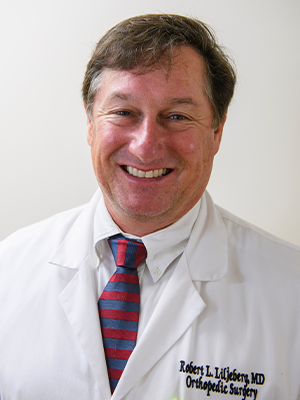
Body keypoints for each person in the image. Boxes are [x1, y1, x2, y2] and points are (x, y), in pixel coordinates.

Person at [0, 13, 299, 400]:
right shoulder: (8, 269)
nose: (145, 145)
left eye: (177, 116)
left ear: (216, 131)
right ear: (90, 124)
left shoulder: (291, 293)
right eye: (124, 112)